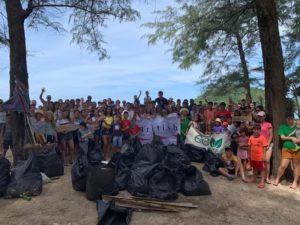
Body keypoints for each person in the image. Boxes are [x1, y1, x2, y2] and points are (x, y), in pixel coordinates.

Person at [274, 113, 299, 190]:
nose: (290, 120)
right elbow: (282, 137)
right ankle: (277, 179)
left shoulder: (297, 126)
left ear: (293, 119)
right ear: (286, 119)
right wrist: (291, 138)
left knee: (296, 166)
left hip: (297, 148)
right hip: (286, 148)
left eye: (291, 118)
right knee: (283, 165)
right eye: (288, 118)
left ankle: (295, 182)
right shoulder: (282, 127)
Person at [248, 124, 268, 189]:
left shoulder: (262, 138)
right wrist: (249, 155)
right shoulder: (251, 137)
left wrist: (264, 156)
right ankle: (254, 178)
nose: (256, 131)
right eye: (255, 129)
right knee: (254, 168)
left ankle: (262, 182)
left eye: (258, 130)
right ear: (253, 130)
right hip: (253, 156)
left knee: (262, 169)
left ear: (260, 131)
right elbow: (249, 147)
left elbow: (265, 147)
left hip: (260, 157)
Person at [257, 111, 273, 184]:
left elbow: (271, 135)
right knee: (261, 161)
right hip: (259, 145)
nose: (260, 117)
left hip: (268, 144)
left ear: (264, 116)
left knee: (267, 161)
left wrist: (267, 144)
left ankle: (267, 177)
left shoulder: (268, 124)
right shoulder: (257, 125)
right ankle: (262, 176)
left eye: (262, 116)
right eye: (259, 116)